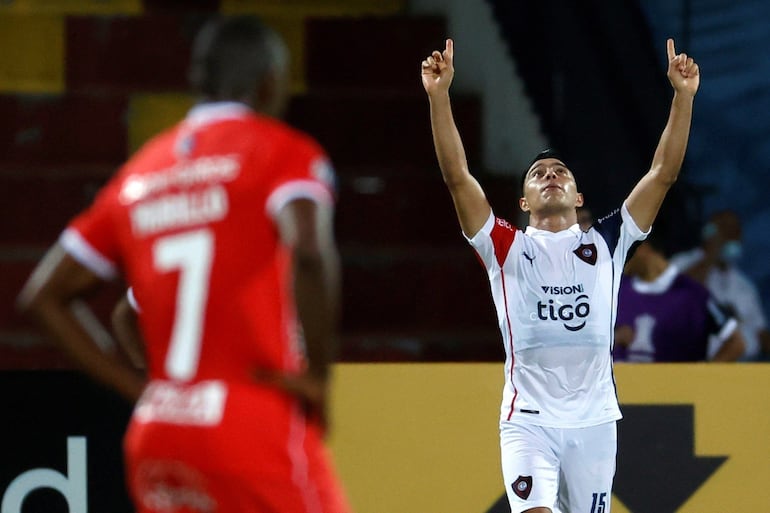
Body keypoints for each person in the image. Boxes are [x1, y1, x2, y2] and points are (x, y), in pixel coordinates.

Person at [18, 16, 352, 513]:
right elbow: (307, 249)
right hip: (250, 420)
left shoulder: (140, 175)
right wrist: (318, 375)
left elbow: (43, 297)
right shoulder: (282, 153)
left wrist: (143, 391)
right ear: (268, 84)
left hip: (160, 434)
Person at [421, 37, 699, 513]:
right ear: (524, 201)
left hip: (594, 424)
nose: (551, 174)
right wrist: (439, 97)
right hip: (528, 422)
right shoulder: (507, 247)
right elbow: (457, 176)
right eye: (539, 173)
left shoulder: (608, 243)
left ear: (577, 196)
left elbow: (662, 174)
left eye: (560, 171)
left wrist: (683, 97)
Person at [614, 232, 745, 362]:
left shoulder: (694, 294)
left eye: (624, 249)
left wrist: (705, 377)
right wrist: (615, 337)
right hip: (623, 381)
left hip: (674, 382)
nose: (618, 257)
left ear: (644, 248)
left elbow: (736, 343)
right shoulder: (616, 290)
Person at [671, 209, 770, 360]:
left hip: (743, 367)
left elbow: (760, 332)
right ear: (710, 231)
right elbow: (682, 297)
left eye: (735, 234)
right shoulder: (681, 263)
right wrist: (712, 252)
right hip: (695, 364)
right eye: (726, 232)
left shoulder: (744, 285)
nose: (731, 238)